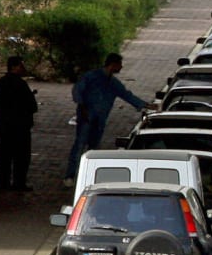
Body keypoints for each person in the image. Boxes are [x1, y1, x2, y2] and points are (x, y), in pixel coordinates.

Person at [63, 52, 148, 186]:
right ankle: (70, 175)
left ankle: (89, 176)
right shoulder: (91, 77)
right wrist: (82, 106)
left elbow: (126, 95)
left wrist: (144, 104)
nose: (121, 67)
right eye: (119, 64)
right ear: (113, 65)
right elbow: (77, 91)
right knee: (79, 145)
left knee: (94, 147)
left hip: (100, 119)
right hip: (87, 118)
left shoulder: (113, 83)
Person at [0, 54, 39, 192]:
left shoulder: (0, 83)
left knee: (5, 155)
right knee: (21, 156)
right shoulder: (21, 84)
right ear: (15, 66)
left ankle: (3, 183)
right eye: (20, 65)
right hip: (20, 126)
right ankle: (19, 183)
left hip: (5, 125)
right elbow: (32, 106)